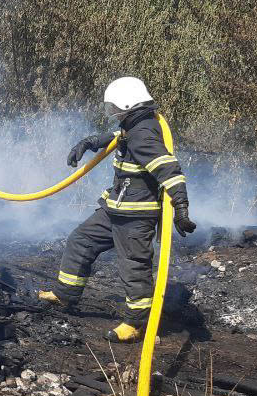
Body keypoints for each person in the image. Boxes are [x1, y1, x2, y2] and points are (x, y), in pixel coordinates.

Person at [38, 76, 197, 342]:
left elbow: (169, 170)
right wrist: (91, 142)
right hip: (115, 208)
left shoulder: (144, 134)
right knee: (82, 240)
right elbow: (118, 137)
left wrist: (180, 207)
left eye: (114, 108)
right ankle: (65, 294)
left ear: (127, 105)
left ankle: (135, 325)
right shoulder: (135, 126)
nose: (112, 113)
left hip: (135, 216)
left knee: (133, 267)